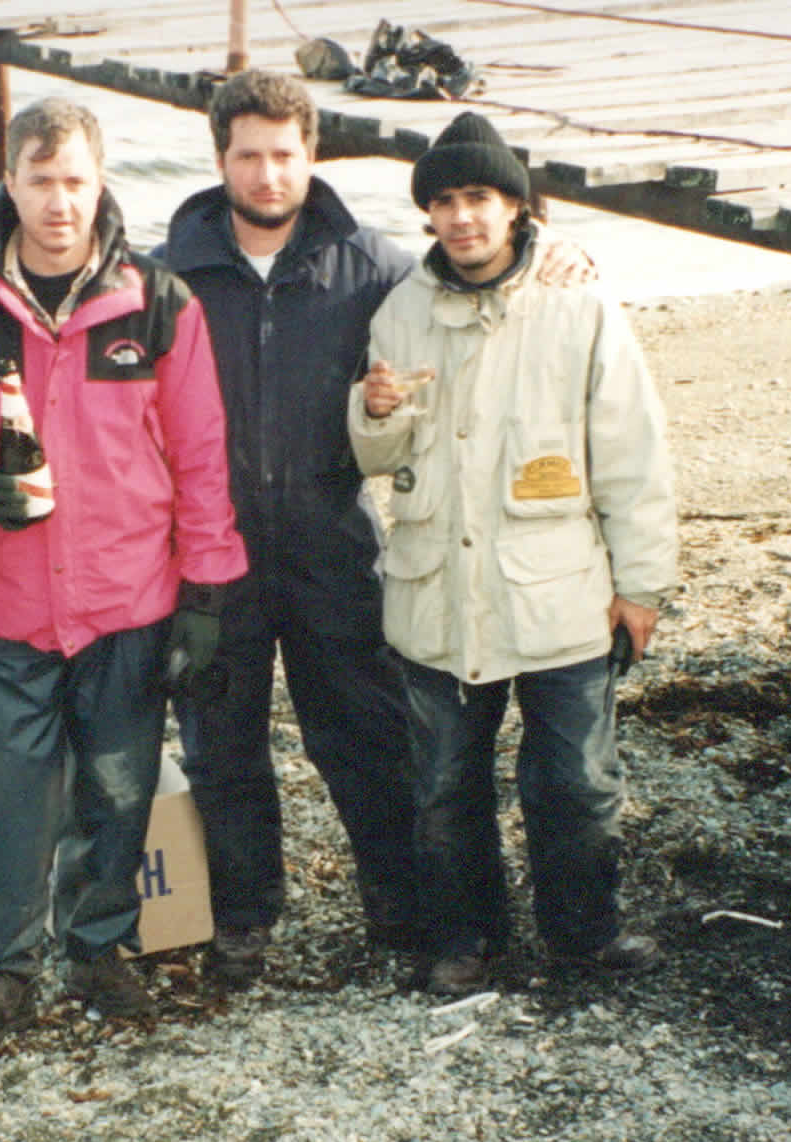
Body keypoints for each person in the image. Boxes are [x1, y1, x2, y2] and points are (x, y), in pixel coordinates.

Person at [156, 71, 595, 984]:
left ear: (312, 155)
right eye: (250, 155)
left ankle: (400, 904)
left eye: (286, 154)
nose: (269, 173)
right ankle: (243, 915)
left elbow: (472, 278)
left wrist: (552, 244)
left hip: (334, 540)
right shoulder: (170, 272)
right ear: (220, 160)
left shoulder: (375, 264)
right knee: (222, 745)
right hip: (212, 550)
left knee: (365, 735)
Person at [0, 98, 247, 1051]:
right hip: (8, 607)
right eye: (41, 180)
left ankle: (98, 943)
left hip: (128, 600)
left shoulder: (159, 303)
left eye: (76, 182)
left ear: (101, 185)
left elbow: (200, 457)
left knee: (116, 790)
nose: (60, 203)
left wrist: (207, 595)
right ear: (7, 181)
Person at [349, 111, 678, 997]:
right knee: (446, 791)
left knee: (575, 784)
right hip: (437, 602)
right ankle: (469, 939)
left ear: (517, 206)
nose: (463, 217)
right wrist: (375, 413)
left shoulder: (581, 303)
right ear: (428, 215)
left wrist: (642, 585)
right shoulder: (399, 312)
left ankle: (585, 934)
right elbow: (377, 463)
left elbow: (634, 455)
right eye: (445, 201)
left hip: (559, 597)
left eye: (480, 198)